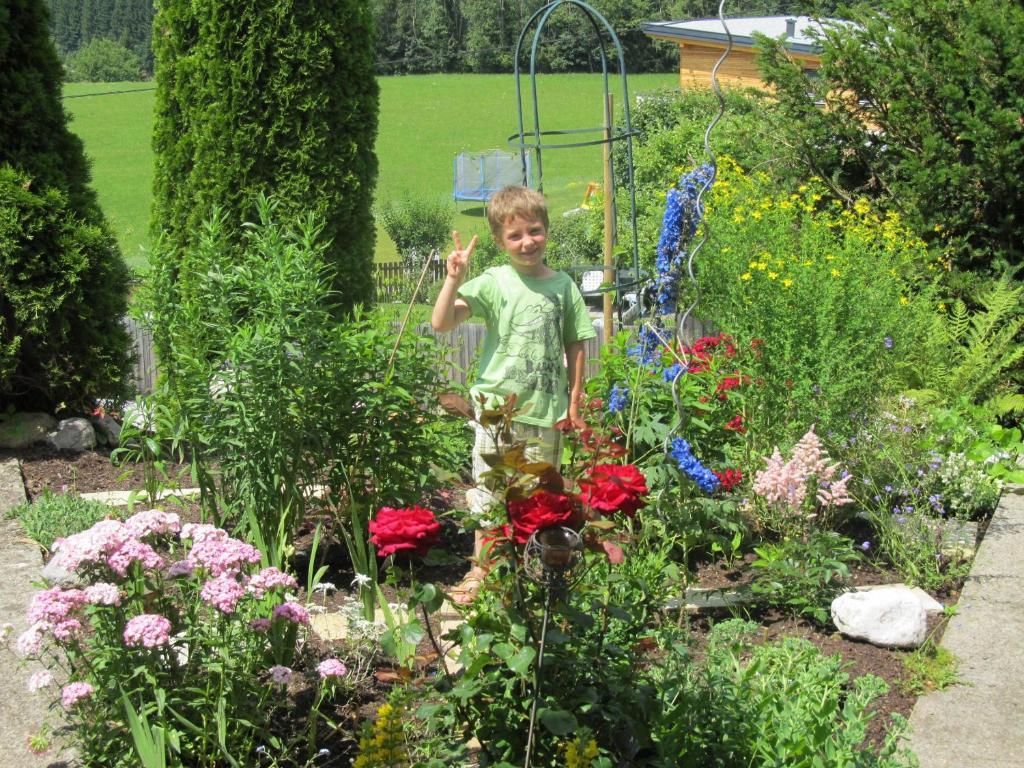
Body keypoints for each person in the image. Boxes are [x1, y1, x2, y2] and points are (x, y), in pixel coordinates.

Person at [431, 185, 596, 603]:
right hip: (495, 414)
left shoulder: (563, 287)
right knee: (490, 496)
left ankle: (530, 574)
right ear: (499, 241)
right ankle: (482, 573)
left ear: (547, 230)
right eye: (515, 235)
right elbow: (442, 322)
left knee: (539, 501)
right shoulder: (494, 282)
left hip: (546, 413)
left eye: (535, 231)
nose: (527, 242)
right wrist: (453, 280)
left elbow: (577, 344)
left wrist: (574, 403)